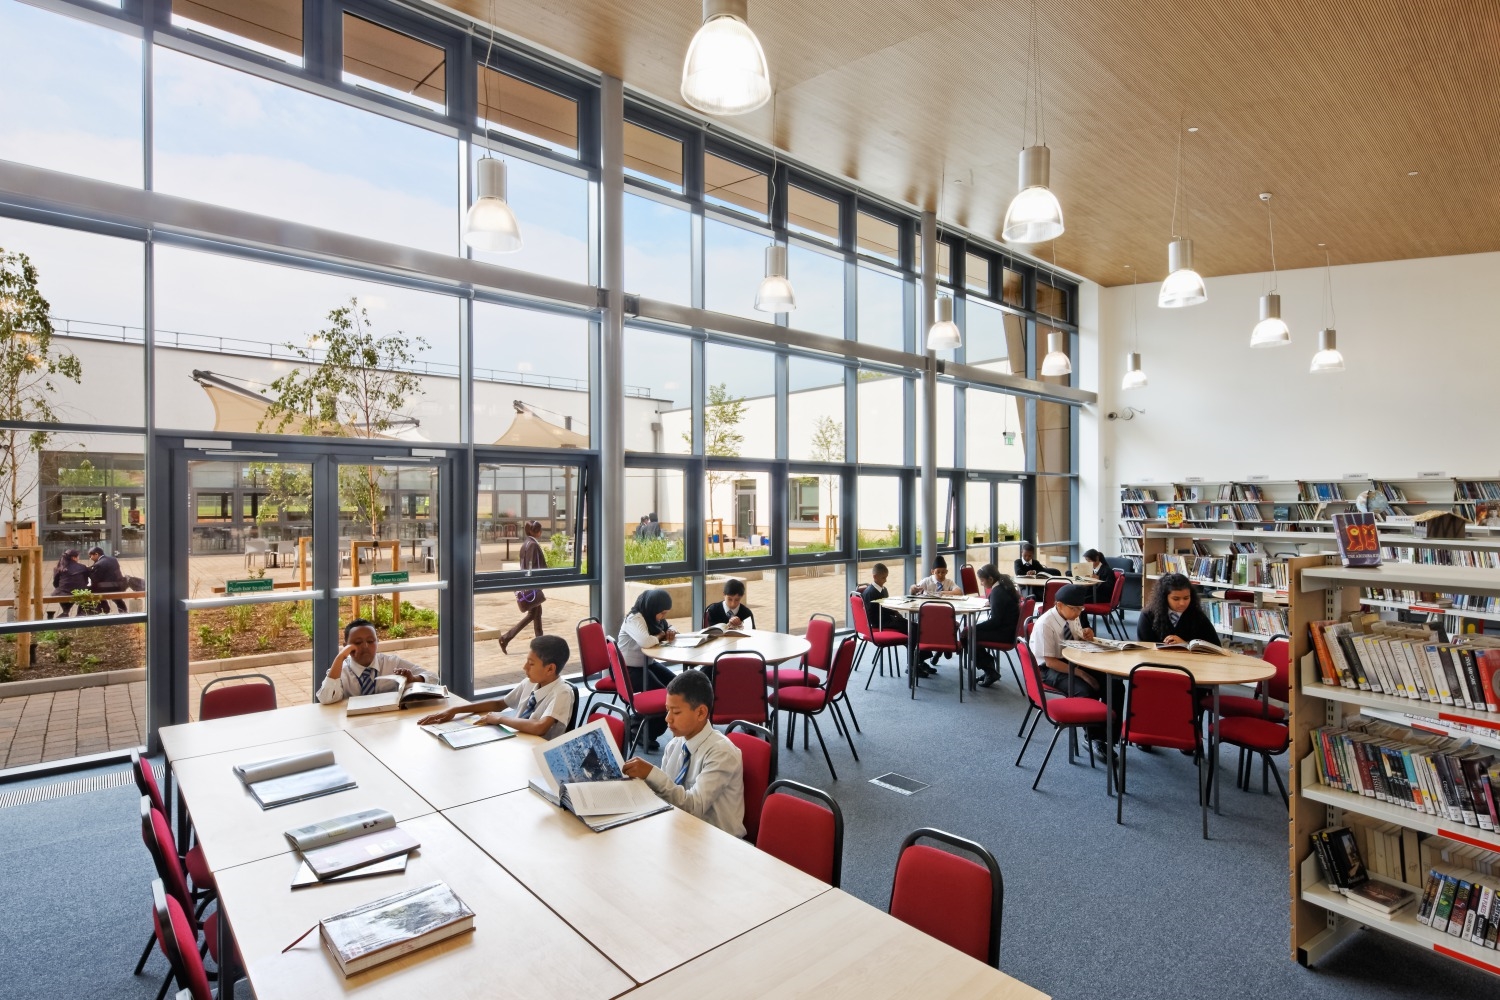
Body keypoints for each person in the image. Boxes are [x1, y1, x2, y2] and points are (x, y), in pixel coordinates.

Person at [622, 669, 745, 838]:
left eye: (676, 712)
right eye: (667, 710)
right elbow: (665, 794)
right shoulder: (674, 745)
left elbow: (693, 807)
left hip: (717, 840)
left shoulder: (722, 753)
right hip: (681, 830)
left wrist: (652, 774)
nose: (668, 718)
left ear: (701, 712)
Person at [420, 635, 576, 740]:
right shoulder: (530, 682)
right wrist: (455, 710)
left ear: (550, 669)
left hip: (537, 754)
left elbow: (539, 728)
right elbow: (499, 704)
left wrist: (500, 719)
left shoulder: (562, 692)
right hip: (518, 741)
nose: (524, 667)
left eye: (531, 664)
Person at [1026, 583, 1116, 753]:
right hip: (1049, 668)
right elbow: (1050, 662)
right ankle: (1093, 738)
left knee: (1114, 684)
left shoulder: (1073, 616)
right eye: (1074, 609)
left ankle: (1110, 736)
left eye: (1081, 609)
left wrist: (1087, 635)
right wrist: (1081, 674)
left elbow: (1076, 641)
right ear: (1059, 605)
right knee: (1085, 690)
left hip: (1072, 660)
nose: (1078, 613)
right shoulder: (1046, 624)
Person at [317, 619, 438, 705]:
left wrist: (414, 679)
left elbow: (433, 678)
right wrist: (340, 657)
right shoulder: (340, 671)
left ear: (377, 642)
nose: (365, 646)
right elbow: (325, 698)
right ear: (345, 646)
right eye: (358, 643)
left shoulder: (392, 663)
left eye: (370, 641)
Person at [616, 587, 679, 750]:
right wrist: (660, 635)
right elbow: (646, 641)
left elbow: (666, 626)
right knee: (667, 696)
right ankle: (638, 730)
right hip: (628, 670)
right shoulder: (635, 619)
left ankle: (639, 725)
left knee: (677, 685)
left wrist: (670, 630)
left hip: (646, 664)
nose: (663, 617)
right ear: (653, 608)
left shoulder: (651, 616)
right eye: (662, 613)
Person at [967, 565, 1020, 687]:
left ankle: (989, 670)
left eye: (982, 580)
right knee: (971, 633)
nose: (981, 583)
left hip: (1005, 634)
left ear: (990, 579)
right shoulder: (1003, 587)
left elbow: (995, 621)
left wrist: (974, 627)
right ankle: (989, 669)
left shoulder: (997, 592)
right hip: (1009, 630)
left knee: (969, 636)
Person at [499, 520, 547, 655]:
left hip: (528, 585)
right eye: (540, 530)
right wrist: (539, 582)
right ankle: (505, 638)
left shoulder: (526, 543)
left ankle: (540, 644)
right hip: (532, 586)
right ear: (537, 532)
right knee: (533, 614)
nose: (541, 532)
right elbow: (534, 567)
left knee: (536, 614)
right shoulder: (533, 545)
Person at [1137, 572, 1221, 646]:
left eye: (1186, 598)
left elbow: (1215, 646)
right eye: (1176, 599)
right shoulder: (1148, 615)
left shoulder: (1197, 615)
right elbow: (1144, 648)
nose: (1182, 603)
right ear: (1164, 598)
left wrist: (1185, 645)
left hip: (1189, 659)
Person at [85, 546, 129, 614]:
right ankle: (124, 611)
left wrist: (89, 571)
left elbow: (95, 579)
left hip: (107, 587)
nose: (90, 558)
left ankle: (105, 608)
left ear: (96, 554)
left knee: (91, 589)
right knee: (118, 600)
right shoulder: (113, 559)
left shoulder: (99, 564)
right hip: (118, 585)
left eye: (90, 556)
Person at [50, 548, 90, 618]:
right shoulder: (82, 567)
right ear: (74, 558)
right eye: (78, 556)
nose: (78, 558)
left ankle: (65, 612)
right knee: (86, 592)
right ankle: (80, 613)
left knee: (62, 592)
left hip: (63, 593)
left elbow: (56, 583)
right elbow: (86, 581)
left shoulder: (59, 568)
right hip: (80, 592)